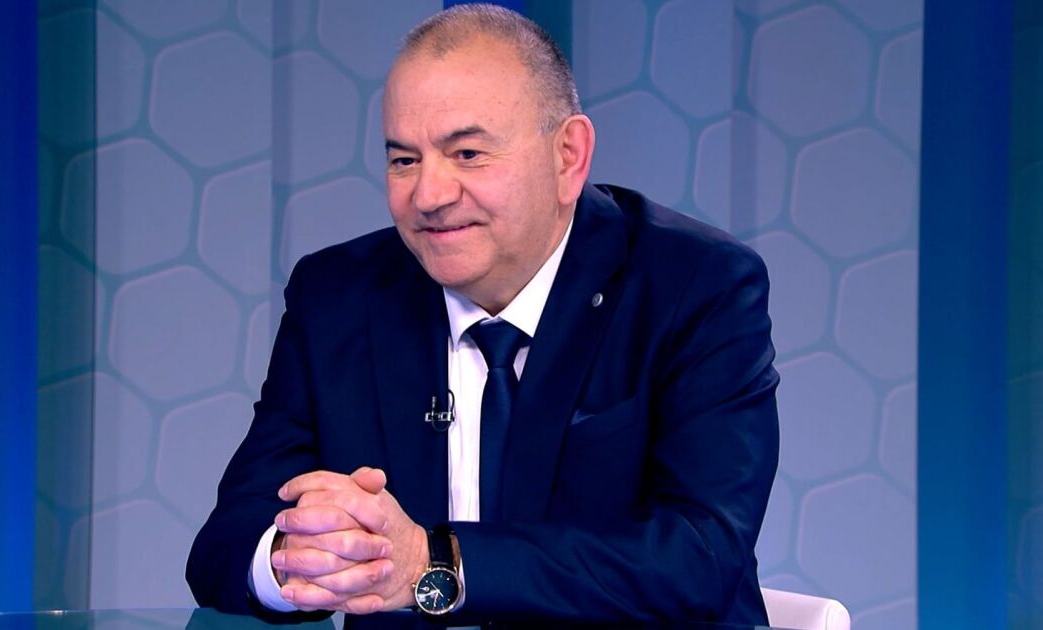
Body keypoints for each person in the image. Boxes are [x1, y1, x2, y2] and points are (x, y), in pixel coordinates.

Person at [187, 4, 778, 626]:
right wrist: (301, 559)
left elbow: (700, 557)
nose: (429, 195)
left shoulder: (695, 285)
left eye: (467, 153)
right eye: (404, 160)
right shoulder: (339, 297)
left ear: (568, 156)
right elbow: (225, 545)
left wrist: (432, 562)